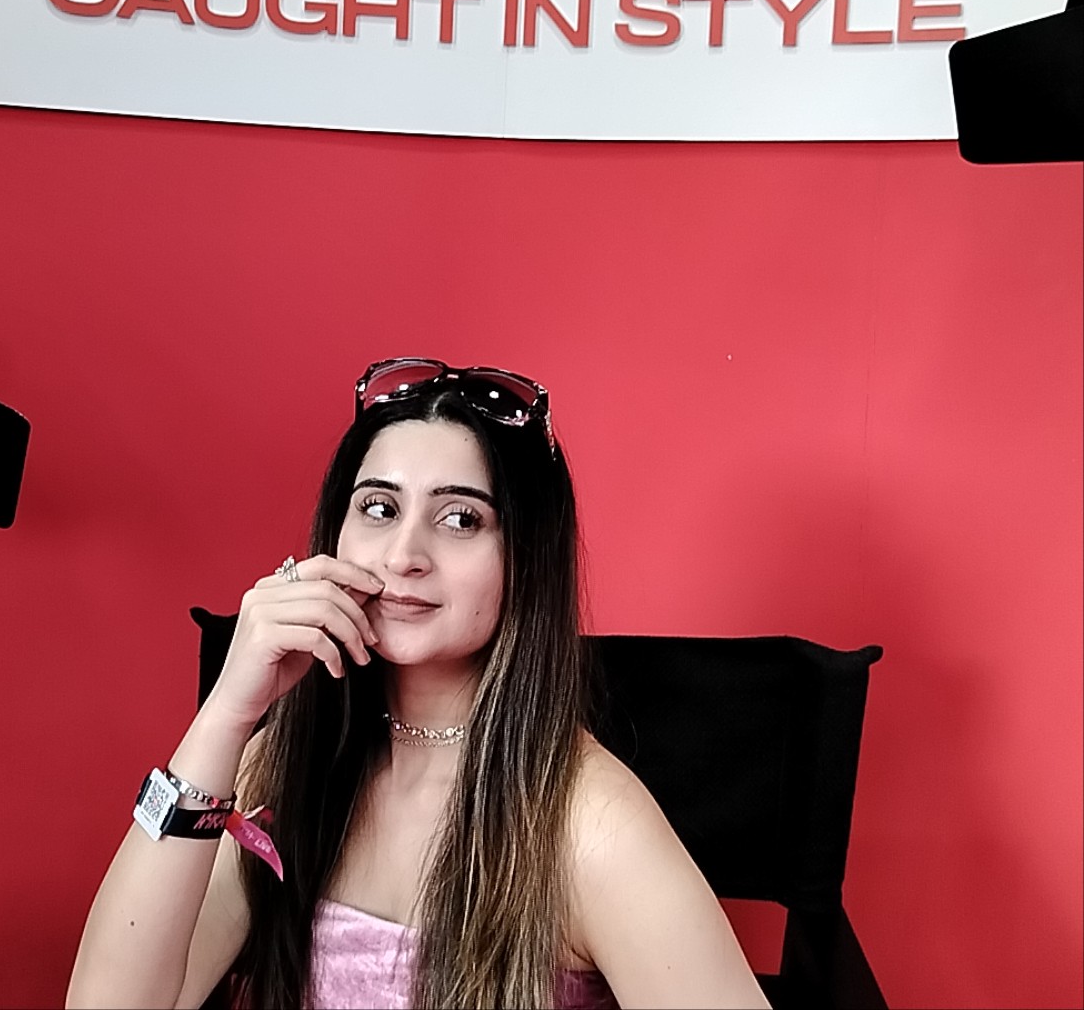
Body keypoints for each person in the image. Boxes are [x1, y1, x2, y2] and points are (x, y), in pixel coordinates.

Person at [66, 358, 771, 1010]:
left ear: (525, 558)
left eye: (461, 518)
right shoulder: (281, 767)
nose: (404, 556)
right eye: (379, 508)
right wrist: (225, 714)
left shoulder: (590, 823)